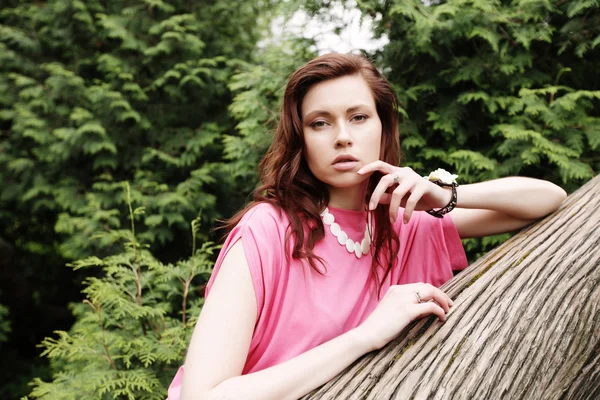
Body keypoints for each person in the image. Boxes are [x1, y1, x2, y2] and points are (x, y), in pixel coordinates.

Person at [166, 53, 566, 400]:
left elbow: (548, 198)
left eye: (358, 117)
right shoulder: (267, 230)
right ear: (300, 139)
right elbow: (205, 395)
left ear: (383, 127)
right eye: (320, 123)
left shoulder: (406, 221)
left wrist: (442, 196)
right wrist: (364, 336)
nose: (342, 137)